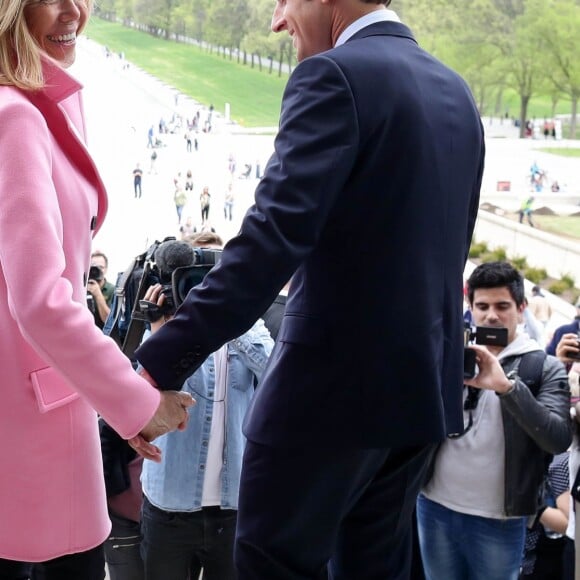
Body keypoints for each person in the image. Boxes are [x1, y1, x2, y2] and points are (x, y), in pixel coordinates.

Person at [131, 0, 485, 578]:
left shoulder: (333, 75)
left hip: (326, 399)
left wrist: (156, 368)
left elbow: (266, 246)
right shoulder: (456, 91)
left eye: (284, 0)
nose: (276, 20)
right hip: (420, 398)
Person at [0, 1, 193, 577]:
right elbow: (40, 298)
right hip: (30, 425)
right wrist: (135, 404)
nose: (74, 12)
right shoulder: (14, 117)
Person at [417, 261, 572, 580]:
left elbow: (557, 438)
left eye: (502, 306)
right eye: (482, 306)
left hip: (499, 521)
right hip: (433, 505)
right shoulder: (451, 354)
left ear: (521, 308)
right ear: (470, 308)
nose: (491, 315)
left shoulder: (544, 367)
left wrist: (507, 388)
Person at [139, 238, 274, 580]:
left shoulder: (249, 324)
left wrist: (231, 316)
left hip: (233, 506)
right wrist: (162, 330)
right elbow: (139, 400)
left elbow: (275, 373)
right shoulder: (166, 325)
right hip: (169, 503)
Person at [87, 251, 115, 328]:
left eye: (101, 267)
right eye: (93, 266)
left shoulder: (112, 290)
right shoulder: (82, 287)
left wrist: (98, 294)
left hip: (103, 334)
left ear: (106, 269)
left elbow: (108, 320)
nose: (96, 270)